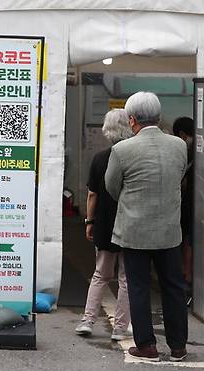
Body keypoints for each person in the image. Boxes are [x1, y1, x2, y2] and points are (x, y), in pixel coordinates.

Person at [105, 92, 189, 362]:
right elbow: (179, 177)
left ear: (131, 120)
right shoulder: (178, 146)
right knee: (173, 287)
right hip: (169, 230)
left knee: (138, 287)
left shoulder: (122, 150)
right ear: (159, 117)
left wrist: (133, 202)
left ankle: (147, 345)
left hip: (135, 229)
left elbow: (112, 186)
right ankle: (178, 346)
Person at [75, 109, 133, 340]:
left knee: (100, 274)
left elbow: (92, 195)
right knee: (126, 278)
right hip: (129, 223)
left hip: (105, 223)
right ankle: (120, 328)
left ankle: (87, 320)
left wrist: (90, 221)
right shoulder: (133, 156)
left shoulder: (100, 158)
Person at [172, 117, 194, 286]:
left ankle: (185, 273)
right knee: (189, 237)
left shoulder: (186, 151)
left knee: (187, 238)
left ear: (181, 134)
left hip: (187, 202)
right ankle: (187, 273)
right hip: (194, 201)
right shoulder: (194, 149)